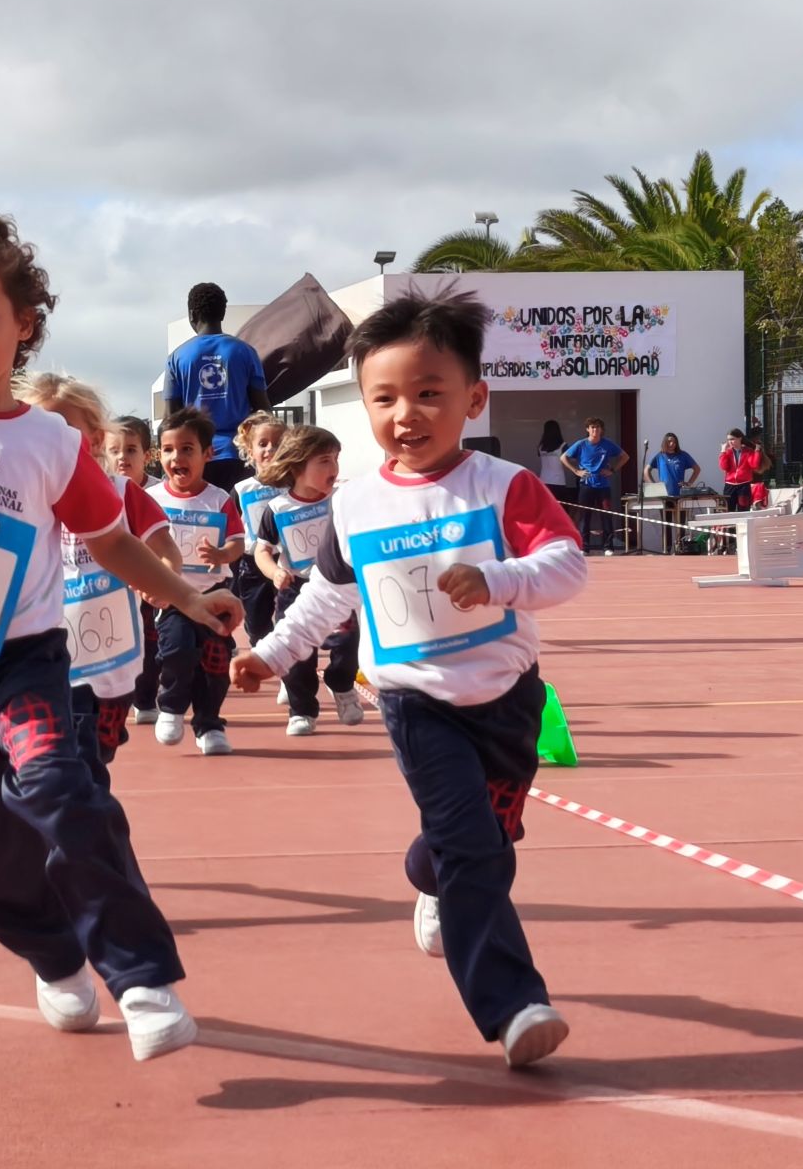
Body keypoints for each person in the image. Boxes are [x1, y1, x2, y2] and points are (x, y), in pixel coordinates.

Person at [0, 213, 241, 1062]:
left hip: (23, 664)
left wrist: (185, 597)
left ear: (23, 323)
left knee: (63, 790)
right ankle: (54, 956)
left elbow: (113, 542)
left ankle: (142, 980)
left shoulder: (53, 443)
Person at [229, 288, 588, 1068]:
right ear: (363, 405)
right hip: (415, 703)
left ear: (473, 398)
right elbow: (325, 598)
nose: (405, 415)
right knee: (473, 847)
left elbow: (565, 566)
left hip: (508, 700)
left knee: (484, 839)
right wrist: (272, 653)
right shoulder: (356, 506)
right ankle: (512, 1005)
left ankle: (428, 878)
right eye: (384, 398)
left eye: (428, 394)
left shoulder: (504, 486)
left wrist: (497, 581)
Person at [19, 372, 180, 762]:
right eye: (41, 428)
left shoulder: (123, 493)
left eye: (63, 428)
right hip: (45, 653)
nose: (51, 439)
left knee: (92, 757)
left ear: (93, 439)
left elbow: (167, 551)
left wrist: (163, 581)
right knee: (58, 759)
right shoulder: (23, 497)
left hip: (110, 656)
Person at [251, 425, 362, 735]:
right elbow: (262, 551)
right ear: (298, 465)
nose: (334, 467)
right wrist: (274, 572)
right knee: (297, 656)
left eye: (336, 458)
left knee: (348, 643)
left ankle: (341, 684)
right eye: (324, 460)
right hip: (295, 588)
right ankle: (301, 710)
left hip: (337, 587)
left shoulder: (341, 500)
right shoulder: (277, 509)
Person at [147, 407, 246, 756]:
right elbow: (138, 546)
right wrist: (146, 584)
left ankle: (209, 725)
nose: (177, 457)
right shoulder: (151, 500)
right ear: (159, 455)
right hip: (173, 595)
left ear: (208, 453)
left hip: (214, 594)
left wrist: (222, 554)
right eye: (168, 449)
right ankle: (171, 707)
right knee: (177, 649)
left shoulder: (219, 499)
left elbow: (238, 542)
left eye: (187, 449)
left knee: (216, 664)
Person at [163, 283, 270, 492]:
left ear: (192, 314)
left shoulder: (177, 357)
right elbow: (263, 411)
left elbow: (170, 419)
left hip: (196, 457)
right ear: (222, 313)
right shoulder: (245, 352)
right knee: (237, 512)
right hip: (240, 454)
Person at [106, 416, 165, 723]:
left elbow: (167, 543)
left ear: (147, 455)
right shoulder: (101, 489)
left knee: (149, 642)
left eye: (130, 450)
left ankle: (145, 698)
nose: (122, 457)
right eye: (114, 450)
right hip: (109, 587)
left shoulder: (159, 493)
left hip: (148, 583)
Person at [229, 412, 286, 646]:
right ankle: (259, 643)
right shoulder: (242, 490)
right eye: (263, 444)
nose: (270, 449)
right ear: (251, 451)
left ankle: (286, 658)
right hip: (252, 564)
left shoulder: (295, 485)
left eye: (277, 444)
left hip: (286, 561)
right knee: (257, 622)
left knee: (290, 617)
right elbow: (230, 529)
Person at [560, 418, 627, 555]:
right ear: (588, 429)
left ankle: (608, 547)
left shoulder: (607, 444)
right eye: (592, 427)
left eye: (597, 427)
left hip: (603, 486)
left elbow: (625, 456)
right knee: (585, 517)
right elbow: (563, 457)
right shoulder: (581, 444)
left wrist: (612, 470)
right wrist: (576, 471)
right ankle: (584, 547)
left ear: (601, 429)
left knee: (606, 516)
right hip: (586, 485)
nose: (595, 430)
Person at [719, 429, 770, 512]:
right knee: (728, 510)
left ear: (740, 438)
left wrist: (757, 451)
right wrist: (723, 451)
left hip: (744, 486)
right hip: (729, 485)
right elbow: (724, 467)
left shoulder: (748, 451)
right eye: (728, 440)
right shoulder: (727, 452)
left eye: (732, 439)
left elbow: (754, 465)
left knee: (743, 510)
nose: (730, 442)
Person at [647, 433, 700, 498]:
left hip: (679, 494)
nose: (672, 443)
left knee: (679, 505)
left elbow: (697, 469)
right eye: (669, 441)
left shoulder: (683, 455)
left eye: (674, 442)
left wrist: (689, 484)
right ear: (664, 442)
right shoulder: (659, 456)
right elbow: (646, 471)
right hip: (664, 495)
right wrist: (653, 486)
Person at [535, 421, 572, 502]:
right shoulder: (563, 445)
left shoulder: (541, 447)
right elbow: (570, 459)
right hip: (558, 481)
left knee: (546, 505)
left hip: (544, 480)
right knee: (560, 506)